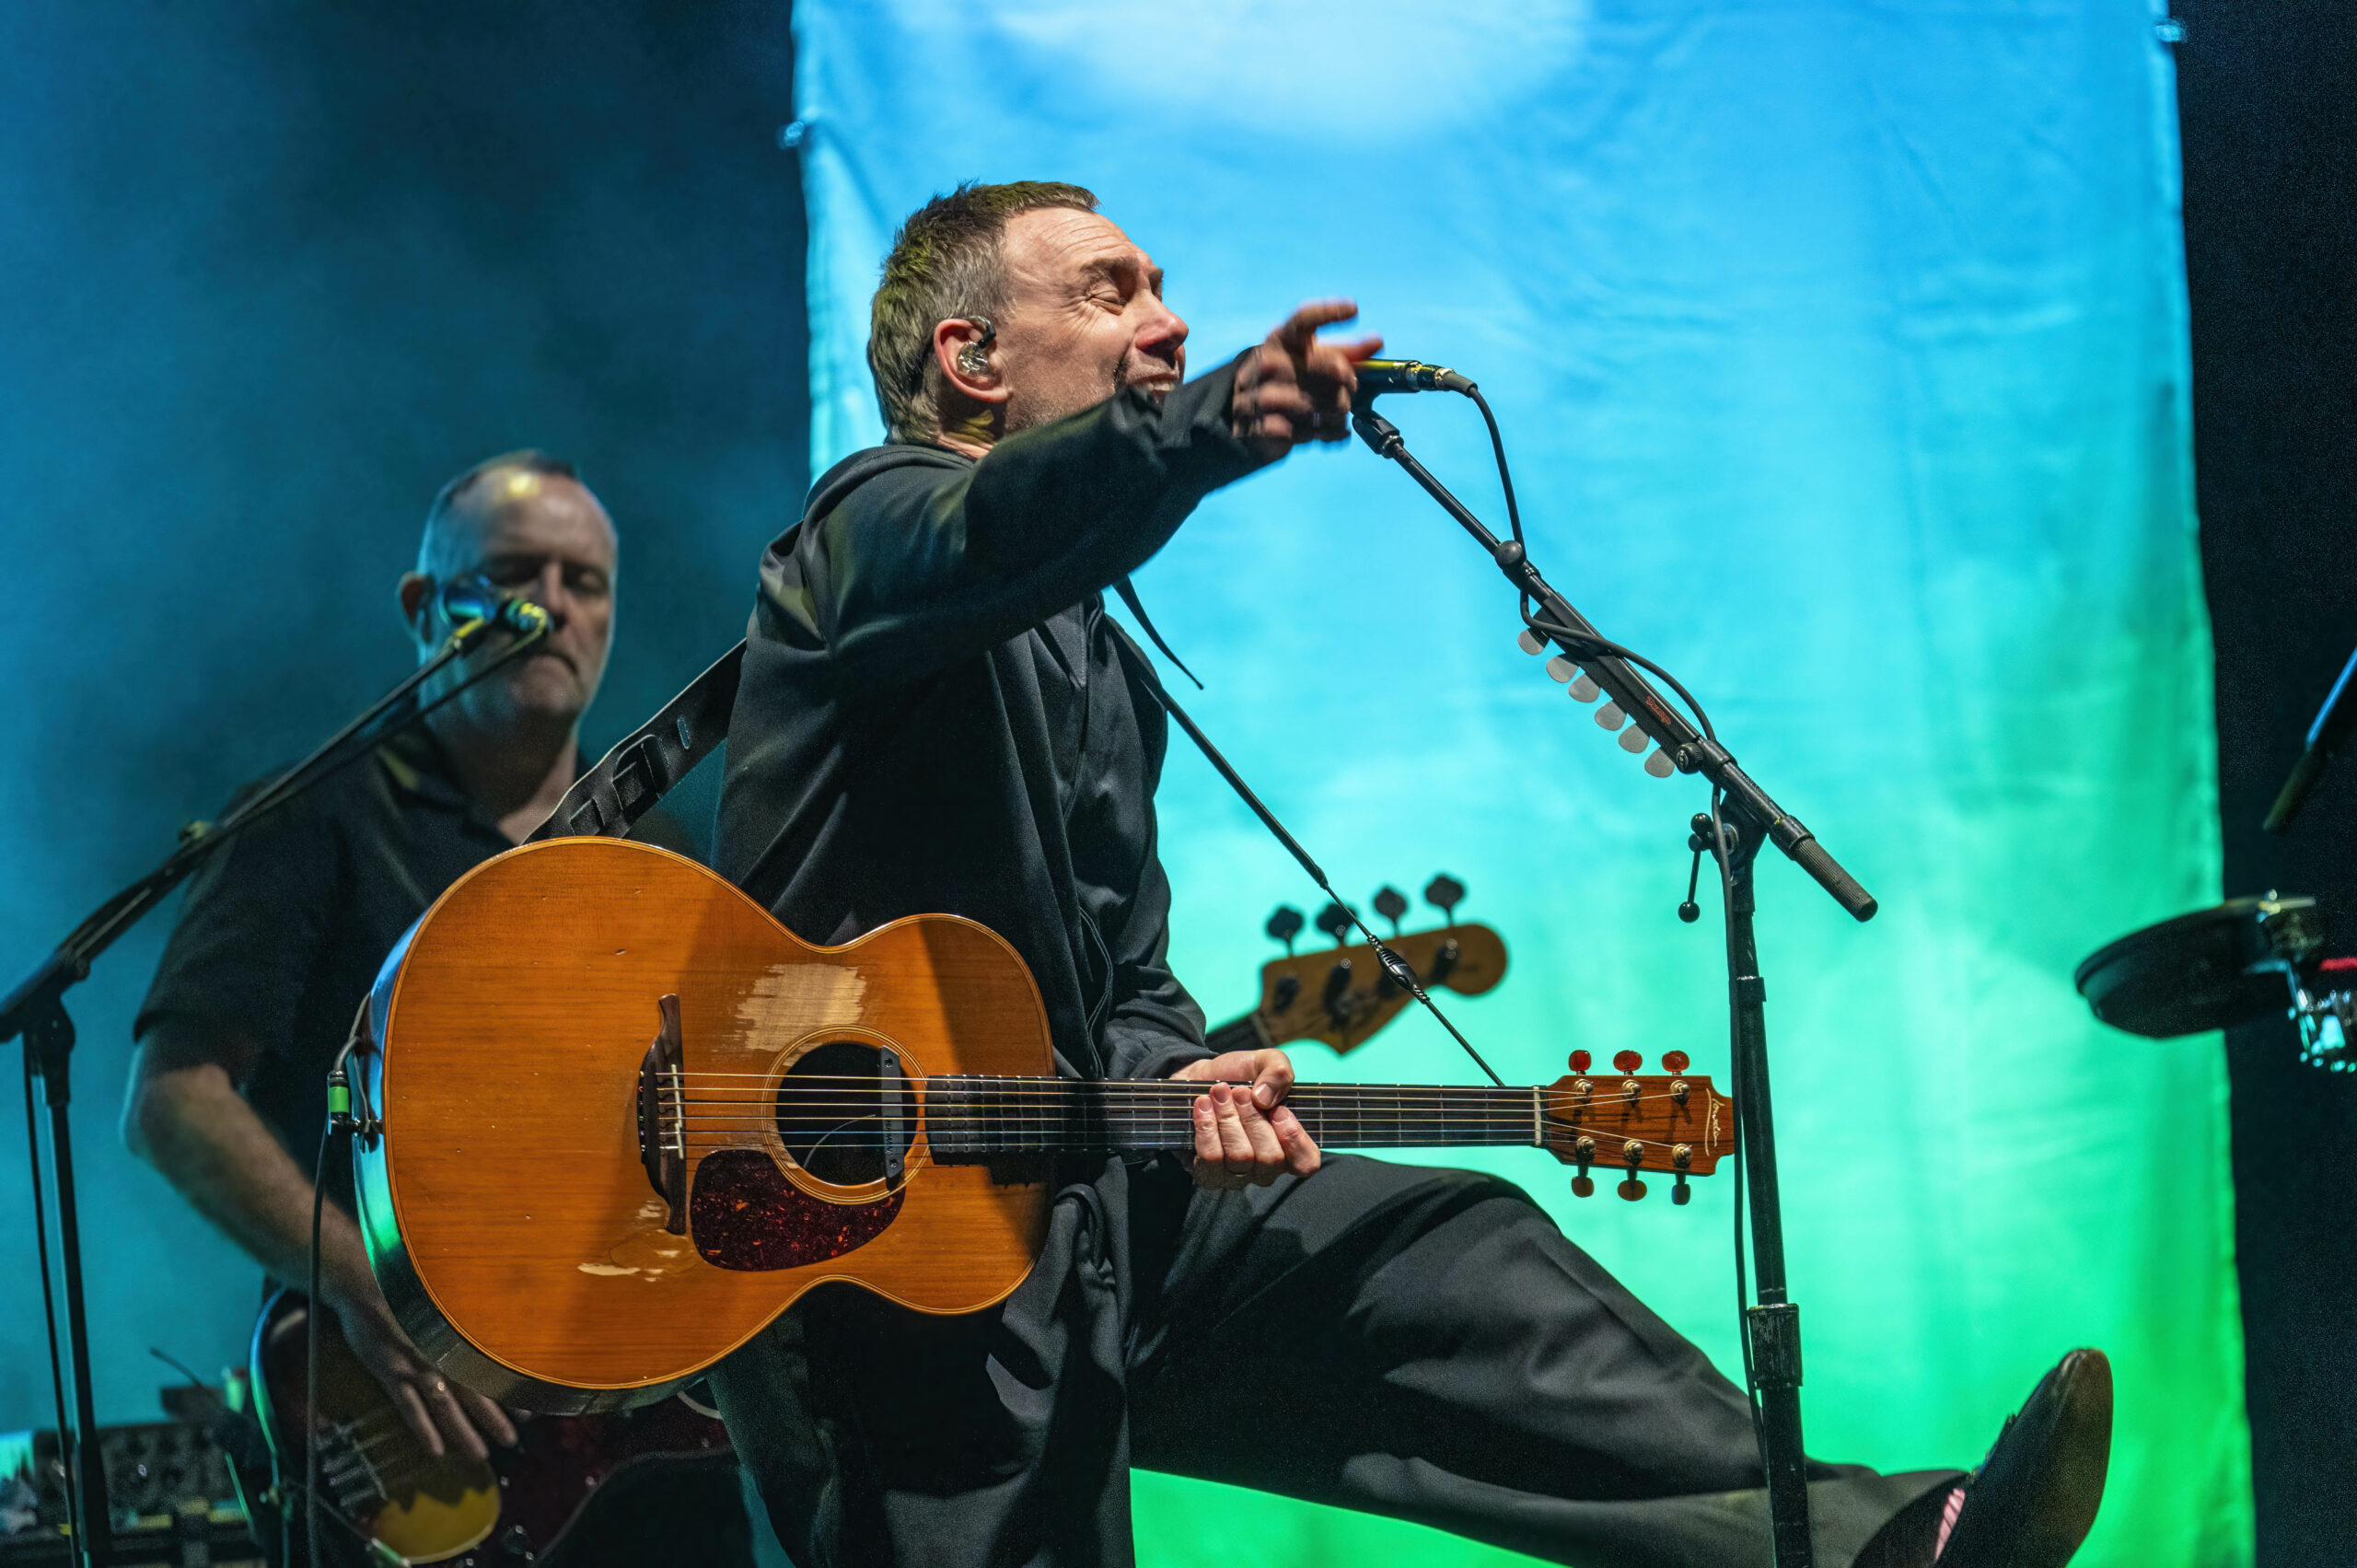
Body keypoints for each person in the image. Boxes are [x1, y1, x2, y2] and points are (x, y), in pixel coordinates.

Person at [708, 181, 2113, 1568]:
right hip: (864, 1249)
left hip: (1067, 1206)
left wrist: (1178, 1075)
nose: (1168, 321)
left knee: (1437, 1255)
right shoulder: (865, 531)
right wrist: (1205, 427)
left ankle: (1876, 1543)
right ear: (971, 359)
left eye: (1163, 290)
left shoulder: (1105, 672)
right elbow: (988, 529)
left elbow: (1121, 978)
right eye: (1108, 291)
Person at [121, 453, 755, 1565]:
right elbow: (173, 1098)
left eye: (584, 581)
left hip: (643, 1447)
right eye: (512, 573)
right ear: (423, 606)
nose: (550, 605)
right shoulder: (315, 814)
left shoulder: (655, 851)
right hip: (410, 1438)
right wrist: (371, 1292)